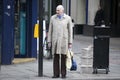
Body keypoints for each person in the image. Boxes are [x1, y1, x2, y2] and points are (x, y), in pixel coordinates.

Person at [47, 5, 73, 78]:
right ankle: (56, 74)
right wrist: (49, 41)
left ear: (62, 10)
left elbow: (70, 31)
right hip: (55, 40)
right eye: (56, 10)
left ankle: (63, 74)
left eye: (58, 10)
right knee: (55, 57)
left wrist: (70, 42)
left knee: (64, 57)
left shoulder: (68, 18)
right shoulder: (53, 18)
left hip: (64, 41)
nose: (57, 12)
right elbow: (50, 30)